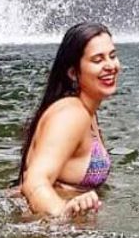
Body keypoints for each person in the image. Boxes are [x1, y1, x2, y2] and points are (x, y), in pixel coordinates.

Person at [17, 21, 120, 218]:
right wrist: (63, 212)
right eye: (98, 60)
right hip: (45, 232)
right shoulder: (71, 115)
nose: (110, 66)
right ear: (73, 72)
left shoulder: (85, 111)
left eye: (112, 56)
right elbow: (34, 181)